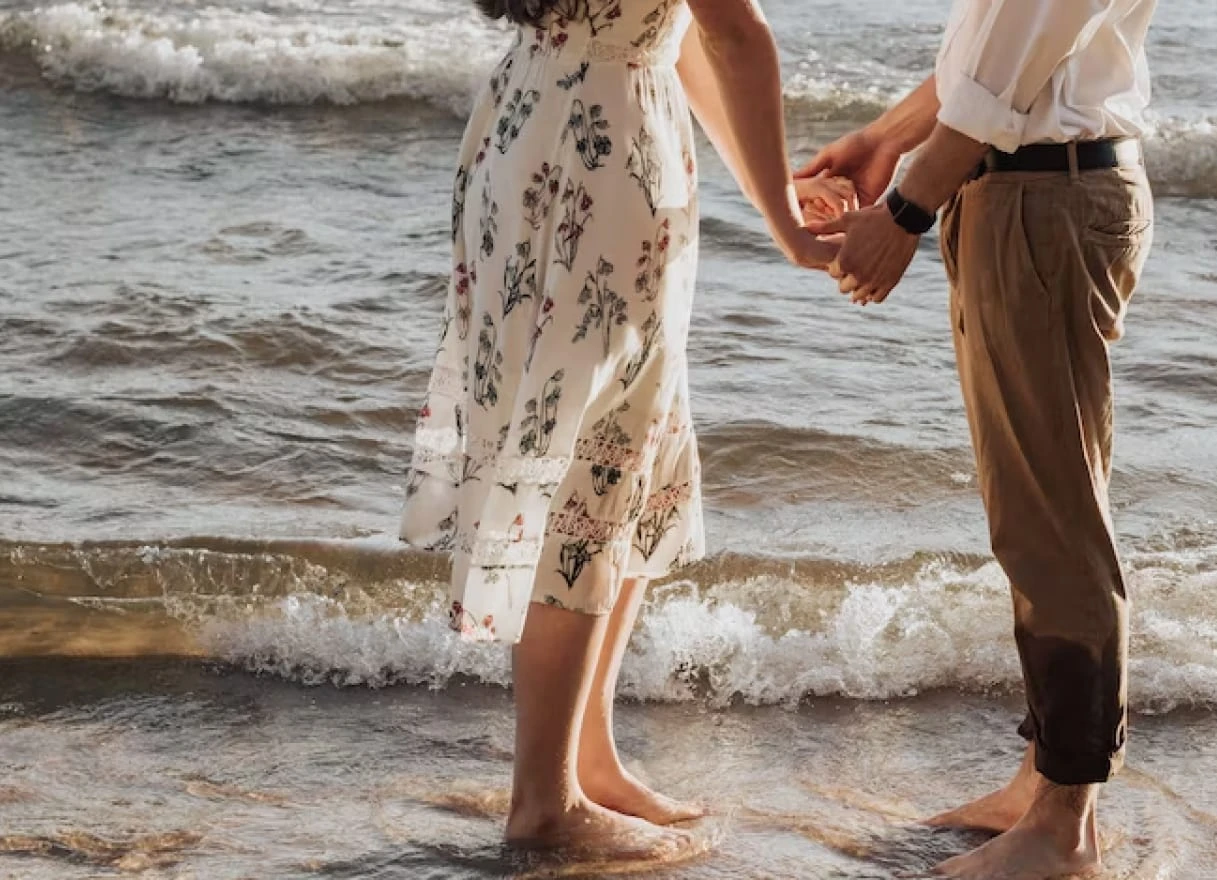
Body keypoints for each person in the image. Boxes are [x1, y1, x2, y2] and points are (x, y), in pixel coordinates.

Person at [399, 0, 848, 861]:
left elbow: (674, 40)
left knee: (626, 445)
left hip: (536, 121)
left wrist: (770, 186)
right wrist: (789, 231)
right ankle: (544, 801)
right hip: (603, 156)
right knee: (593, 459)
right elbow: (734, 33)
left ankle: (584, 758)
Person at [802, 0, 1158, 876]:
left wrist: (908, 207)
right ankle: (1043, 785)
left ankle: (1065, 827)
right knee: (1036, 515)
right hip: (1030, 188)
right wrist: (889, 137)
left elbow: (1022, 45)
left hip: (1044, 198)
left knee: (1053, 525)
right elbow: (1004, 54)